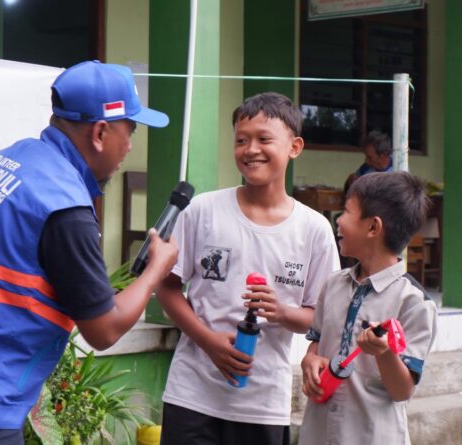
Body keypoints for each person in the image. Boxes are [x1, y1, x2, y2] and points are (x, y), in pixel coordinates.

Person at [0, 61, 179, 444]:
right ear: (101, 132)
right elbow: (104, 330)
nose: (130, 146)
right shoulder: (65, 207)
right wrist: (155, 271)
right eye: (131, 130)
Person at [156, 92, 340, 445]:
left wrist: (282, 312)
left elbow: (321, 317)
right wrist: (207, 341)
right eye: (241, 140)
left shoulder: (313, 229)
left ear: (295, 147)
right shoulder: (202, 211)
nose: (250, 149)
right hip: (191, 393)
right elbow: (167, 286)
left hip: (262, 402)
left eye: (264, 139)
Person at [299, 171, 437, 445]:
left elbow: (402, 390)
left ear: (373, 227)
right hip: (318, 434)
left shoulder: (413, 303)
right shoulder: (333, 285)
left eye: (347, 212)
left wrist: (384, 354)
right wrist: (310, 360)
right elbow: (316, 342)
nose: (338, 220)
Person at [342, 130, 393, 196]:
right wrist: (351, 181)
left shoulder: (399, 168)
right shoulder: (366, 167)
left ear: (383, 155)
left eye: (369, 157)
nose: (366, 160)